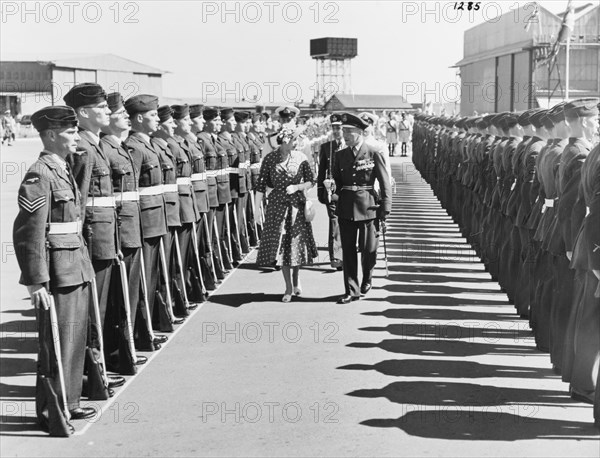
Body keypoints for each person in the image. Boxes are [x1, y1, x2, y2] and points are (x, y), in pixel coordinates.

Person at [13, 105, 97, 429]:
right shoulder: (40, 173)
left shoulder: (63, 168)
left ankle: (70, 401)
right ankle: (51, 411)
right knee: (56, 343)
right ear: (50, 135)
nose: (76, 136)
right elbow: (28, 231)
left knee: (73, 339)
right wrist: (36, 281)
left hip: (74, 265)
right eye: (69, 131)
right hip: (57, 272)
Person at [329, 113, 392, 304]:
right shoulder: (340, 155)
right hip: (346, 207)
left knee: (368, 249)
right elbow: (337, 183)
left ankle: (367, 277)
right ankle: (351, 290)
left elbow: (384, 182)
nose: (344, 135)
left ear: (360, 133)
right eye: (344, 131)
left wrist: (385, 208)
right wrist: (333, 196)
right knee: (348, 251)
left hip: (368, 206)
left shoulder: (373, 153)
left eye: (349, 132)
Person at [254, 124, 318, 302]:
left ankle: (296, 279)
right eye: (294, 139)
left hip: (296, 207)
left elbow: (311, 181)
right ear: (284, 140)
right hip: (277, 207)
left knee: (295, 246)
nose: (296, 143)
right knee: (282, 248)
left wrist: (297, 187)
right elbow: (260, 185)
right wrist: (256, 210)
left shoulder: (301, 158)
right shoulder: (270, 159)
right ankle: (288, 288)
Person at [317, 113, 344, 270]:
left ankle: (345, 253)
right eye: (334, 127)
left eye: (338, 128)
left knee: (346, 223)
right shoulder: (326, 147)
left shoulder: (349, 146)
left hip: (347, 191)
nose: (336, 130)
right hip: (331, 191)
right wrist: (321, 190)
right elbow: (321, 171)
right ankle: (335, 257)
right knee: (334, 223)